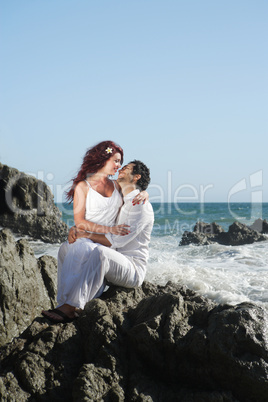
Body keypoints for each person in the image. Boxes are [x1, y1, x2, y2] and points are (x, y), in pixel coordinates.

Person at [42, 160, 154, 323]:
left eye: (126, 168)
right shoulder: (124, 199)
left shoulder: (139, 204)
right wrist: (79, 231)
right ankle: (63, 301)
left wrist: (85, 234)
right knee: (67, 248)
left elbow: (116, 240)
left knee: (99, 253)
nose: (121, 169)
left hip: (132, 268)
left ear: (136, 177)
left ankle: (72, 308)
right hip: (114, 261)